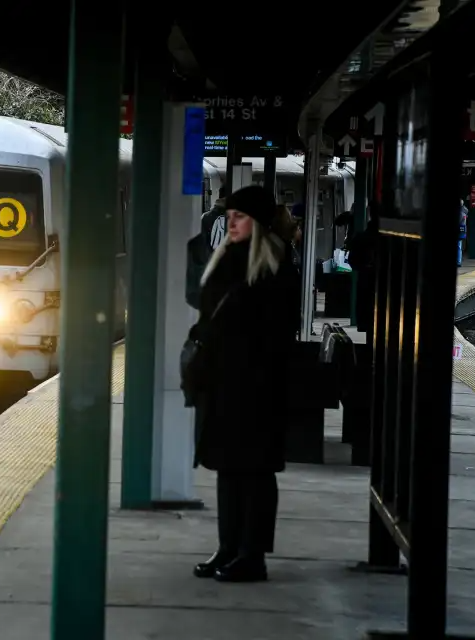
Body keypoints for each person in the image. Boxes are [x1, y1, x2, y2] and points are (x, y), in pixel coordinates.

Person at [190, 185, 299, 583]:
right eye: (229, 216)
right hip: (224, 385)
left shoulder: (274, 268)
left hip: (257, 388)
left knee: (253, 471)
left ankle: (253, 555)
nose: (230, 222)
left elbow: (273, 335)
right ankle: (229, 546)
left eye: (239, 217)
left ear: (258, 222)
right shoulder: (227, 260)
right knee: (226, 468)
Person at [347, 202, 380, 342]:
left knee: (368, 328)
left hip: (366, 286)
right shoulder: (391, 240)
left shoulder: (361, 238)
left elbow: (352, 261)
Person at [458, 199, 468, 267]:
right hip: (462, 230)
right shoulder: (465, 210)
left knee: (458, 247)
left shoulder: (460, 212)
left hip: (458, 230)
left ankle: (458, 262)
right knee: (459, 246)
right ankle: (458, 261)